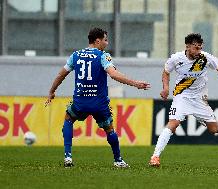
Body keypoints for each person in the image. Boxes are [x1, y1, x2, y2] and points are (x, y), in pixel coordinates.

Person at [45, 27, 150, 168]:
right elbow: (113, 74)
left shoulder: (76, 55)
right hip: (99, 103)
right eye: (105, 40)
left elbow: (61, 75)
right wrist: (135, 83)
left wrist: (52, 91)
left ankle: (68, 157)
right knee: (109, 129)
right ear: (97, 41)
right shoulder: (103, 56)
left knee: (69, 119)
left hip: (80, 101)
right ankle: (118, 160)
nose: (107, 43)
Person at [149, 33, 218, 167]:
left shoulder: (205, 58)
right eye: (196, 48)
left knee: (214, 130)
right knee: (173, 123)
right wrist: (165, 88)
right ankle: (155, 157)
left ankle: (199, 117)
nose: (198, 51)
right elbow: (166, 72)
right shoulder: (176, 58)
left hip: (200, 99)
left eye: (200, 48)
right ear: (188, 46)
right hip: (181, 96)